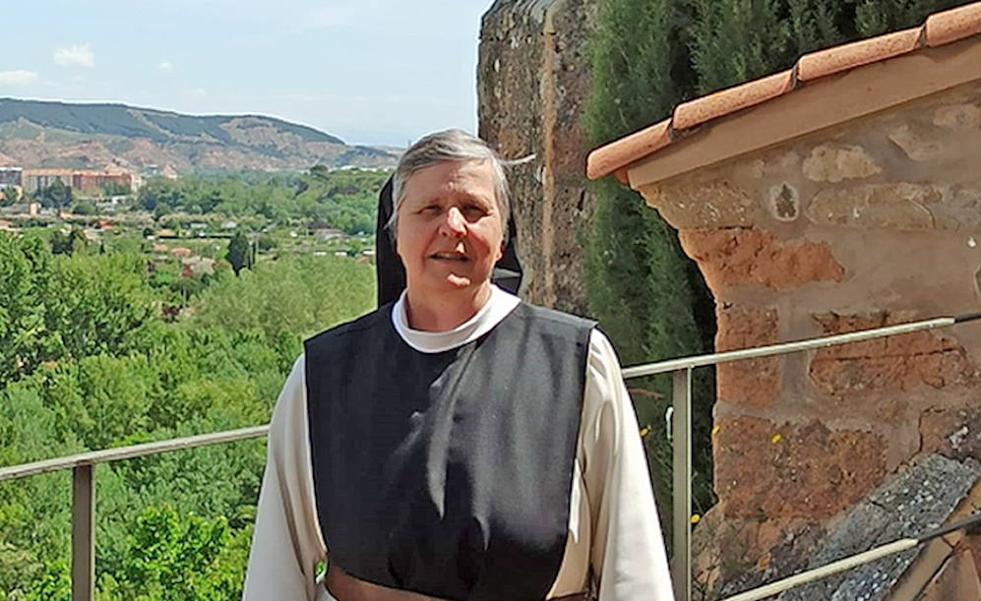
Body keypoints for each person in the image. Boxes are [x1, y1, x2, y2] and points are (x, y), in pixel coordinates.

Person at [242, 130, 674, 601]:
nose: (453, 226)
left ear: (502, 233)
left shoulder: (576, 363)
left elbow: (631, 562)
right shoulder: (324, 376)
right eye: (429, 209)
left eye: (474, 209)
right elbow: (276, 568)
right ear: (396, 233)